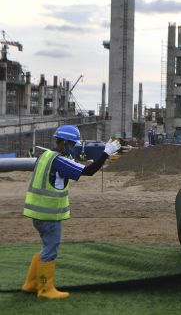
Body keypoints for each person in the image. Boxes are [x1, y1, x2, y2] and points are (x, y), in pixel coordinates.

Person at [22, 125, 121, 300]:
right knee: (50, 250)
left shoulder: (44, 156)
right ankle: (45, 289)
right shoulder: (59, 161)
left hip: (36, 212)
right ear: (66, 142)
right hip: (50, 213)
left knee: (46, 247)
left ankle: (31, 284)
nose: (73, 147)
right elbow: (89, 171)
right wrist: (106, 153)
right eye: (72, 144)